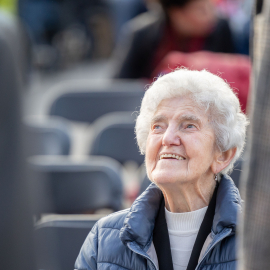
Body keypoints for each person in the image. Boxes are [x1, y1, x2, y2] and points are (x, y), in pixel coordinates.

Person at [75, 69, 248, 270]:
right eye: (158, 126)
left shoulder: (261, 237)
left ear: (223, 155)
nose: (167, 138)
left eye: (188, 125)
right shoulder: (102, 239)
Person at [113, 0, 236, 79]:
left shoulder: (220, 30)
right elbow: (121, 84)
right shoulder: (142, 34)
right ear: (176, 13)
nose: (211, 16)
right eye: (201, 10)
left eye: (211, 7)